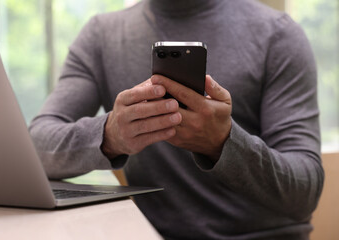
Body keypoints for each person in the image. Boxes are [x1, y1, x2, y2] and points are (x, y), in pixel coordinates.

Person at [29, 0, 324, 239]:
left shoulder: (278, 34)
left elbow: (305, 191)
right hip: (149, 233)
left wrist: (224, 143)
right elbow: (36, 147)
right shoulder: (101, 36)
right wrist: (110, 135)